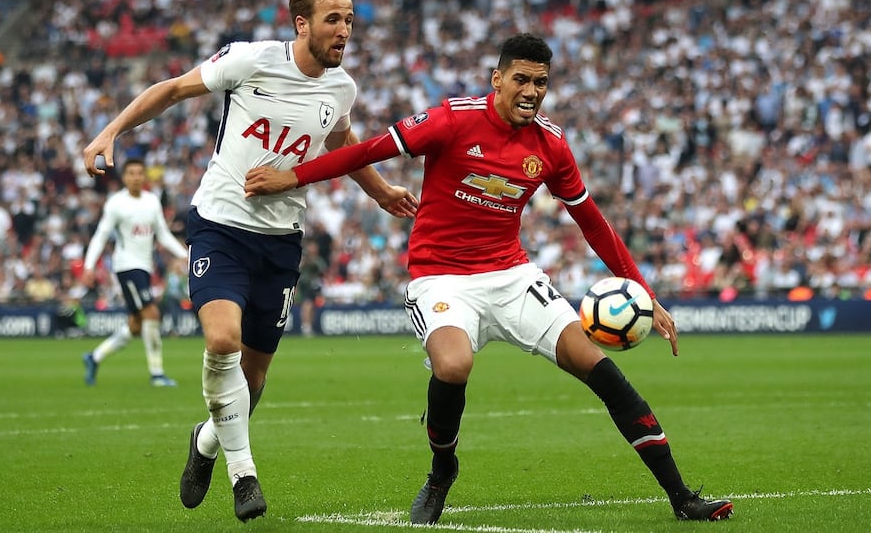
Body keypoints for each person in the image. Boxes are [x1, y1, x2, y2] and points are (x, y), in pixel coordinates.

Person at [245, 33, 734, 524]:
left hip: (512, 274)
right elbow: (368, 151)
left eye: (540, 82)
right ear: (496, 79)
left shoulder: (551, 144)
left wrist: (645, 294)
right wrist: (293, 176)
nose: (531, 90)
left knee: (603, 371)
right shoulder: (452, 119)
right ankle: (442, 471)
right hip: (439, 276)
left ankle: (682, 498)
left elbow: (592, 221)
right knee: (453, 367)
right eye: (521, 79)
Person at [81, 0, 417, 523]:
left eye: (350, 20)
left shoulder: (341, 88)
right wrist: (110, 131)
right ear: (301, 22)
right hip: (220, 225)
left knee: (253, 383)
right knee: (222, 340)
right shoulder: (250, 60)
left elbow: (339, 140)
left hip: (281, 243)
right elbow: (171, 89)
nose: (345, 31)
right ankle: (245, 475)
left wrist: (379, 191)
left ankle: (207, 443)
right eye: (333, 19)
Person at [81, 158, 189, 387]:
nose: (136, 177)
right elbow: (101, 236)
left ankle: (94, 357)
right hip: (127, 266)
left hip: (145, 266)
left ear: (145, 176)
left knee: (137, 325)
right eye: (131, 173)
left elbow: (162, 233)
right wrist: (89, 266)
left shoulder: (151, 201)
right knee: (151, 314)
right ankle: (157, 373)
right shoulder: (116, 204)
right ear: (124, 177)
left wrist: (183, 253)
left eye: (140, 173)